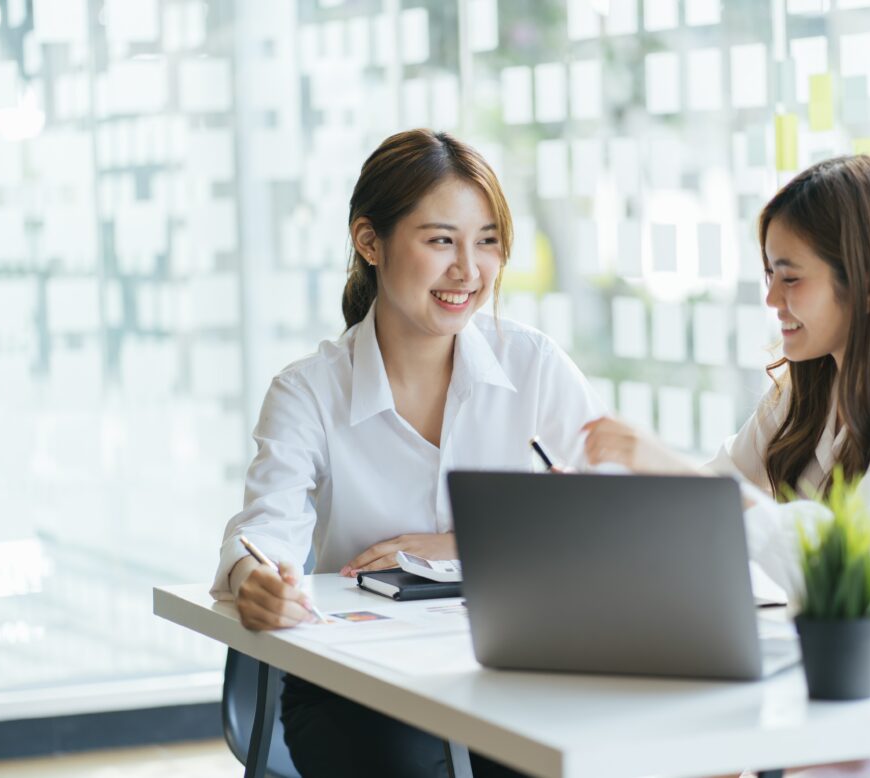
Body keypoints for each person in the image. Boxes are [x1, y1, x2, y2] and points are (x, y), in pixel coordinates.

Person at [581, 155, 870, 777]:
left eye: (791, 278)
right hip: (829, 709)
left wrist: (665, 467)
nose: (771, 298)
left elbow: (855, 573)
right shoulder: (805, 391)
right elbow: (713, 491)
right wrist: (596, 506)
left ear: (868, 282)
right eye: (769, 275)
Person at [211, 129, 603, 777]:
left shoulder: (533, 366)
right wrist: (256, 580)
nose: (468, 271)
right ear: (370, 242)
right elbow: (263, 532)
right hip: (357, 689)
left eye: (487, 241)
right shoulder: (309, 391)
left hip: (510, 673)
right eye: (441, 240)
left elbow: (616, 520)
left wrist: (458, 544)